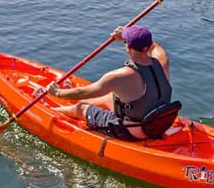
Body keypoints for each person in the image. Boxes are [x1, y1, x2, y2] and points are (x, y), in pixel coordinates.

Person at [43, 25, 172, 140]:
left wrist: (57, 92)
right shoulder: (161, 60)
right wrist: (127, 34)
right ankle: (69, 104)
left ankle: (52, 109)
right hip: (159, 124)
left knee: (81, 108)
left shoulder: (119, 76)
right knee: (109, 97)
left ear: (127, 47)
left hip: (131, 132)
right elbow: (156, 47)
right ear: (148, 46)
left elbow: (83, 92)